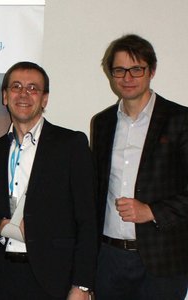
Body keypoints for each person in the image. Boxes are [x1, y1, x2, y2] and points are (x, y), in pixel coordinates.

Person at [0, 61, 97, 300]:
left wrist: (81, 285)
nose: (24, 94)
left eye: (33, 88)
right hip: (6, 276)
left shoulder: (71, 145)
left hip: (55, 279)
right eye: (16, 87)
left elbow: (88, 220)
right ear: (5, 96)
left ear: (45, 99)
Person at [91, 34, 188, 300]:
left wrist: (152, 211)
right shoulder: (102, 123)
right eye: (119, 70)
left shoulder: (180, 120)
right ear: (111, 74)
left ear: (151, 71)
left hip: (163, 259)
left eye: (136, 69)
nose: (127, 77)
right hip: (110, 258)